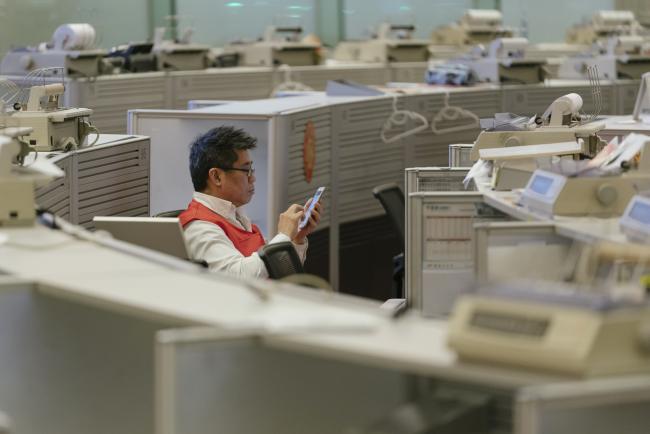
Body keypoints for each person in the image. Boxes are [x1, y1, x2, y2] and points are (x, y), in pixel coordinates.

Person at [179, 126, 321, 278]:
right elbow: (239, 278)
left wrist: (296, 239)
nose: (252, 178)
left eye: (251, 170)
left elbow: (279, 273)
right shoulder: (199, 227)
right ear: (216, 177)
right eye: (246, 170)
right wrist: (284, 235)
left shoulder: (236, 216)